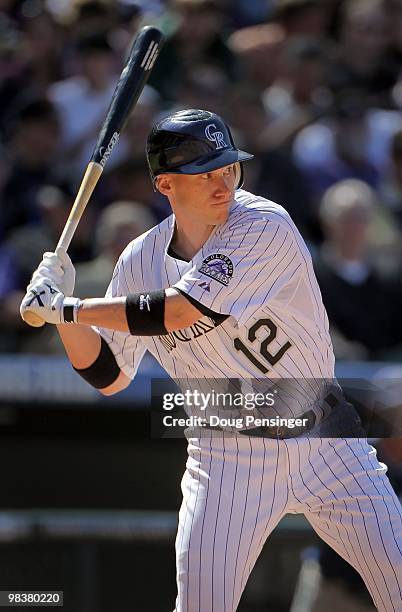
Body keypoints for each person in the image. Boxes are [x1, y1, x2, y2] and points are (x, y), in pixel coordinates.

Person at [20, 109, 402, 612]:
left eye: (229, 168)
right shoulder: (140, 261)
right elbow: (109, 376)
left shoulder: (264, 224)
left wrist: (69, 306)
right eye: (205, 174)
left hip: (323, 434)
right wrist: (63, 318)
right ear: (165, 185)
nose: (223, 184)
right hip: (227, 454)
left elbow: (179, 310)